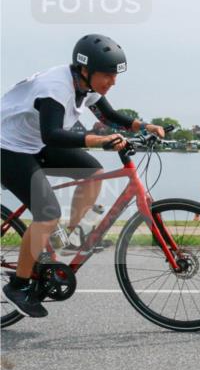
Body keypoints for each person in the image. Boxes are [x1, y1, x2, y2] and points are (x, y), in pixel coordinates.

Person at [0, 34, 165, 318]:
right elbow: (51, 133)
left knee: (94, 173)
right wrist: (99, 141)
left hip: (34, 144)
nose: (112, 82)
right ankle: (18, 285)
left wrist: (144, 125)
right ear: (86, 70)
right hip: (8, 148)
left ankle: (62, 238)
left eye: (115, 76)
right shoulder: (55, 88)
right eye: (108, 76)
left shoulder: (84, 84)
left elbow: (108, 116)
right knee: (47, 214)